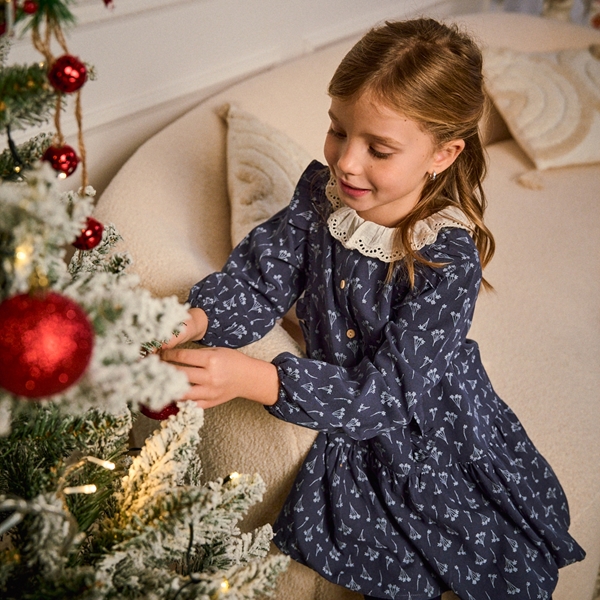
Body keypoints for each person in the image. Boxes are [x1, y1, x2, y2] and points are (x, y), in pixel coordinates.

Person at [159, 18, 585, 600]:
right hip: (345, 394)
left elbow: (385, 397)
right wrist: (195, 320)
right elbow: (262, 279)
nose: (346, 163)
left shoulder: (447, 260)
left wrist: (250, 377)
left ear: (443, 153)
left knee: (468, 557)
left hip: (417, 413)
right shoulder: (320, 199)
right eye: (338, 131)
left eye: (378, 149)